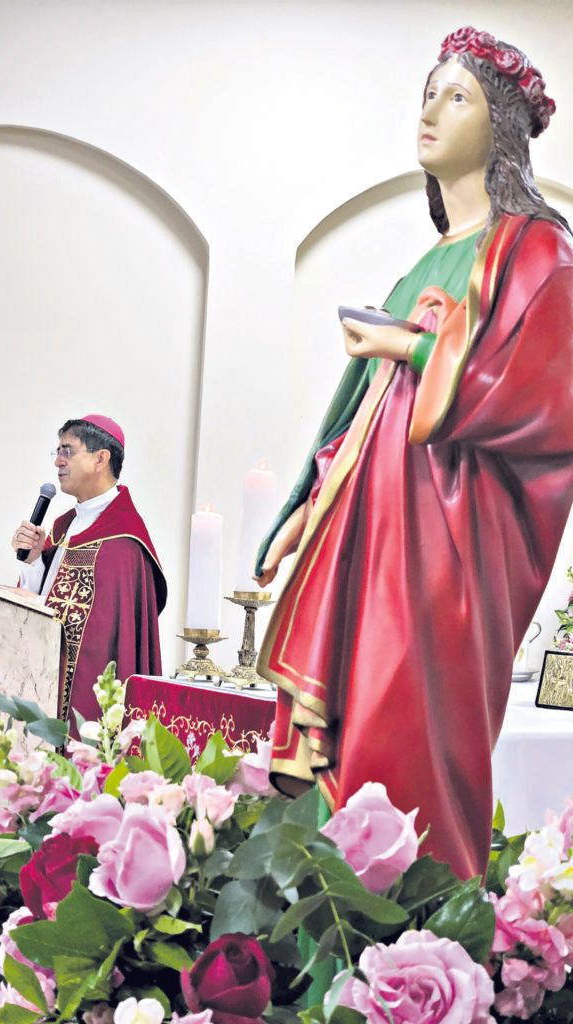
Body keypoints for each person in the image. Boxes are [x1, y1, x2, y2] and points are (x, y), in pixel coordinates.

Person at [255, 27, 573, 881]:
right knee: (352, 733)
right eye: (427, 92)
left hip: (451, 548)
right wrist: (301, 519)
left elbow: (546, 396)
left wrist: (410, 352)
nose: (430, 110)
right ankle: (343, 937)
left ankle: (430, 933)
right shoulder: (424, 264)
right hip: (362, 539)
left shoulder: (537, 247)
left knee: (414, 726)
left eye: (456, 95)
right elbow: (353, 423)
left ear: (500, 126)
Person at [12, 414, 167, 731]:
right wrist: (34, 561)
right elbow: (48, 599)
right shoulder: (63, 526)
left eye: (67, 451)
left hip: (86, 700)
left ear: (101, 458)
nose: (58, 461)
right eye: (57, 452)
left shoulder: (124, 542)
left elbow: (96, 634)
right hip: (45, 681)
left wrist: (42, 605)